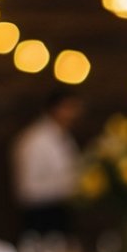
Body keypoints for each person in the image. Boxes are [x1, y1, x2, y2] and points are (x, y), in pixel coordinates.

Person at [12, 89, 83, 237]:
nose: (73, 114)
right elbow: (27, 188)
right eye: (68, 108)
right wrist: (68, 186)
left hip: (62, 210)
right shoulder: (34, 140)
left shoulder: (64, 136)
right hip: (41, 215)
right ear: (55, 108)